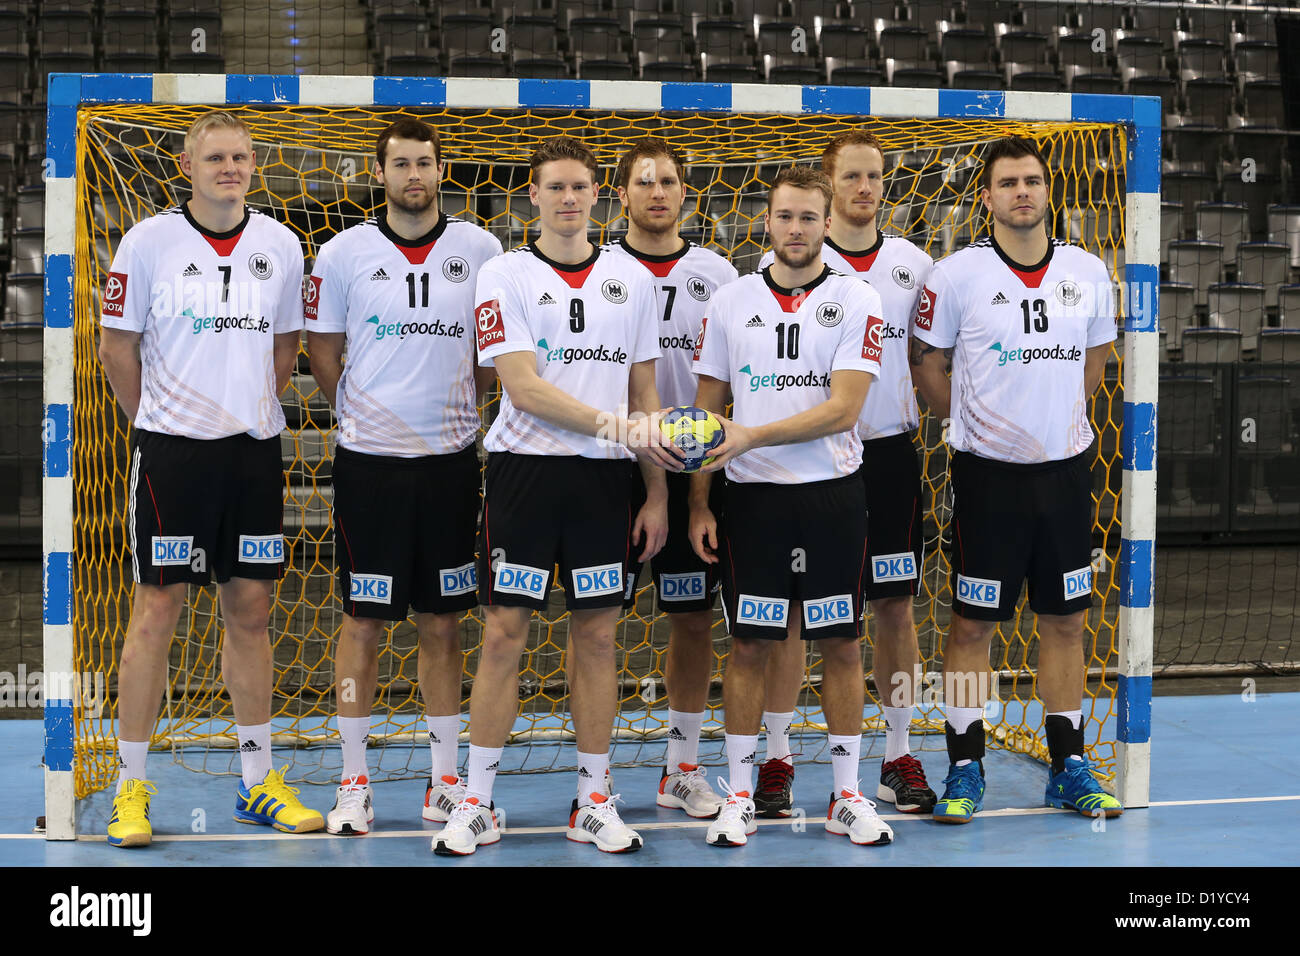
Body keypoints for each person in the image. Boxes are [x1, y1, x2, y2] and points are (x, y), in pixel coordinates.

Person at [430, 135, 680, 856]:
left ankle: (594, 800)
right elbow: (523, 385)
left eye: (580, 187)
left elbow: (645, 393)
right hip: (525, 476)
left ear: (598, 195)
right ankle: (476, 802)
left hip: (606, 482)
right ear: (531, 197)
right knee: (505, 633)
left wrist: (657, 491)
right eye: (555, 188)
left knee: (599, 636)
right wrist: (615, 425)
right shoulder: (503, 275)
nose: (569, 199)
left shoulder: (631, 281)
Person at [97, 110, 319, 846]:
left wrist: (248, 406)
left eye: (243, 157)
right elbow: (116, 346)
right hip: (172, 455)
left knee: (250, 611)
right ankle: (132, 786)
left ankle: (258, 782)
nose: (232, 167)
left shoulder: (281, 244)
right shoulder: (148, 241)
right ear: (187, 166)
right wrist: (158, 419)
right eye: (217, 157)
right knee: (155, 612)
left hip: (252, 454)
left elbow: (288, 346)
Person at [909, 136, 1123, 823]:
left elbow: (1095, 362)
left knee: (1066, 620)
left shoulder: (1089, 271)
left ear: (1047, 190)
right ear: (988, 197)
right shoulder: (954, 275)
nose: (1023, 191)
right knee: (972, 625)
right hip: (986, 479)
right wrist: (977, 425)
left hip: (1064, 477)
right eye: (1009, 182)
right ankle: (965, 767)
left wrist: (1054, 421)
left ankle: (1068, 765)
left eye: (1032, 180)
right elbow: (926, 367)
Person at [306, 118, 502, 835]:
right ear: (379, 172)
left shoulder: (482, 249)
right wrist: (359, 411)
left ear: (441, 169)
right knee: (361, 622)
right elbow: (323, 349)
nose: (413, 175)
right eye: (401, 164)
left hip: (452, 463)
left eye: (425, 162)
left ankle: (444, 781)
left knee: (445, 622)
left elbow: (492, 355)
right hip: (370, 466)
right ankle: (353, 782)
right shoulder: (341, 251)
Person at [689, 166, 893, 848]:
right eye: (786, 217)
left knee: (841, 642)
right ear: (766, 222)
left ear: (828, 223)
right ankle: (739, 796)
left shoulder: (859, 299)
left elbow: (843, 408)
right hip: (751, 504)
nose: (798, 229)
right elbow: (706, 409)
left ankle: (846, 796)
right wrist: (699, 502)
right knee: (749, 645)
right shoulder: (730, 300)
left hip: (832, 500)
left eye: (810, 217)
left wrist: (751, 434)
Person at [755, 131, 938, 816]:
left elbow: (928, 359)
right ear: (827, 191)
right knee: (796, 615)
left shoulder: (914, 265)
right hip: (806, 465)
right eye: (853, 177)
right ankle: (776, 758)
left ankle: (897, 752)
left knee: (894, 607)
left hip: (887, 456)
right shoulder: (789, 262)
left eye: (876, 176)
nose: (866, 188)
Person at [605, 137, 738, 819]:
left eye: (670, 182)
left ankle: (681, 768)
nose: (658, 192)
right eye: (644, 182)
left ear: (686, 194)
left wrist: (696, 496)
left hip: (695, 476)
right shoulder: (597, 271)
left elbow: (726, 387)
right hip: (609, 472)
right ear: (621, 193)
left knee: (691, 621)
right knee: (592, 626)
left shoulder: (719, 275)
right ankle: (590, 782)